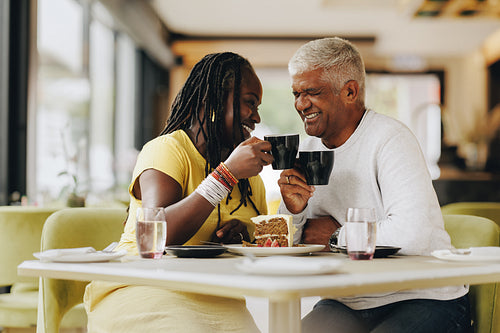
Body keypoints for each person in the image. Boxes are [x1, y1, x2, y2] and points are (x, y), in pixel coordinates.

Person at [277, 37, 471, 333]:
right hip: (349, 301)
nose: (300, 104)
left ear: (350, 91)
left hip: (424, 296)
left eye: (312, 92)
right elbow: (292, 239)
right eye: (296, 93)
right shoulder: (308, 149)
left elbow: (412, 232)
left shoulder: (390, 138)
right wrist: (295, 212)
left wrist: (336, 238)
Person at [83, 52, 273, 332]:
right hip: (142, 285)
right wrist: (225, 175)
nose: (256, 116)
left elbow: (264, 244)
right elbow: (157, 232)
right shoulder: (168, 149)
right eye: (249, 103)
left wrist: (245, 234)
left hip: (213, 295)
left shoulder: (248, 179)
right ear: (213, 102)